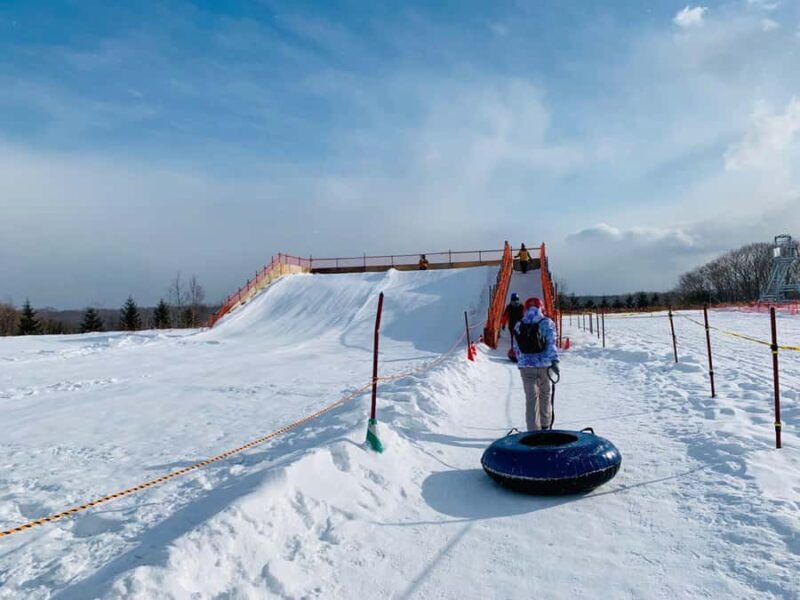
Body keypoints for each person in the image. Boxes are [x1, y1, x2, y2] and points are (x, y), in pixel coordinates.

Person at [514, 297, 559, 431]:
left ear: (526, 308)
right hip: (545, 366)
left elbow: (516, 348)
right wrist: (554, 361)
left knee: (531, 398)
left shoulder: (519, 324)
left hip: (526, 367)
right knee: (545, 395)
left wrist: (522, 361)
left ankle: (533, 432)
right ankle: (545, 427)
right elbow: (551, 343)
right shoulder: (547, 322)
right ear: (541, 307)